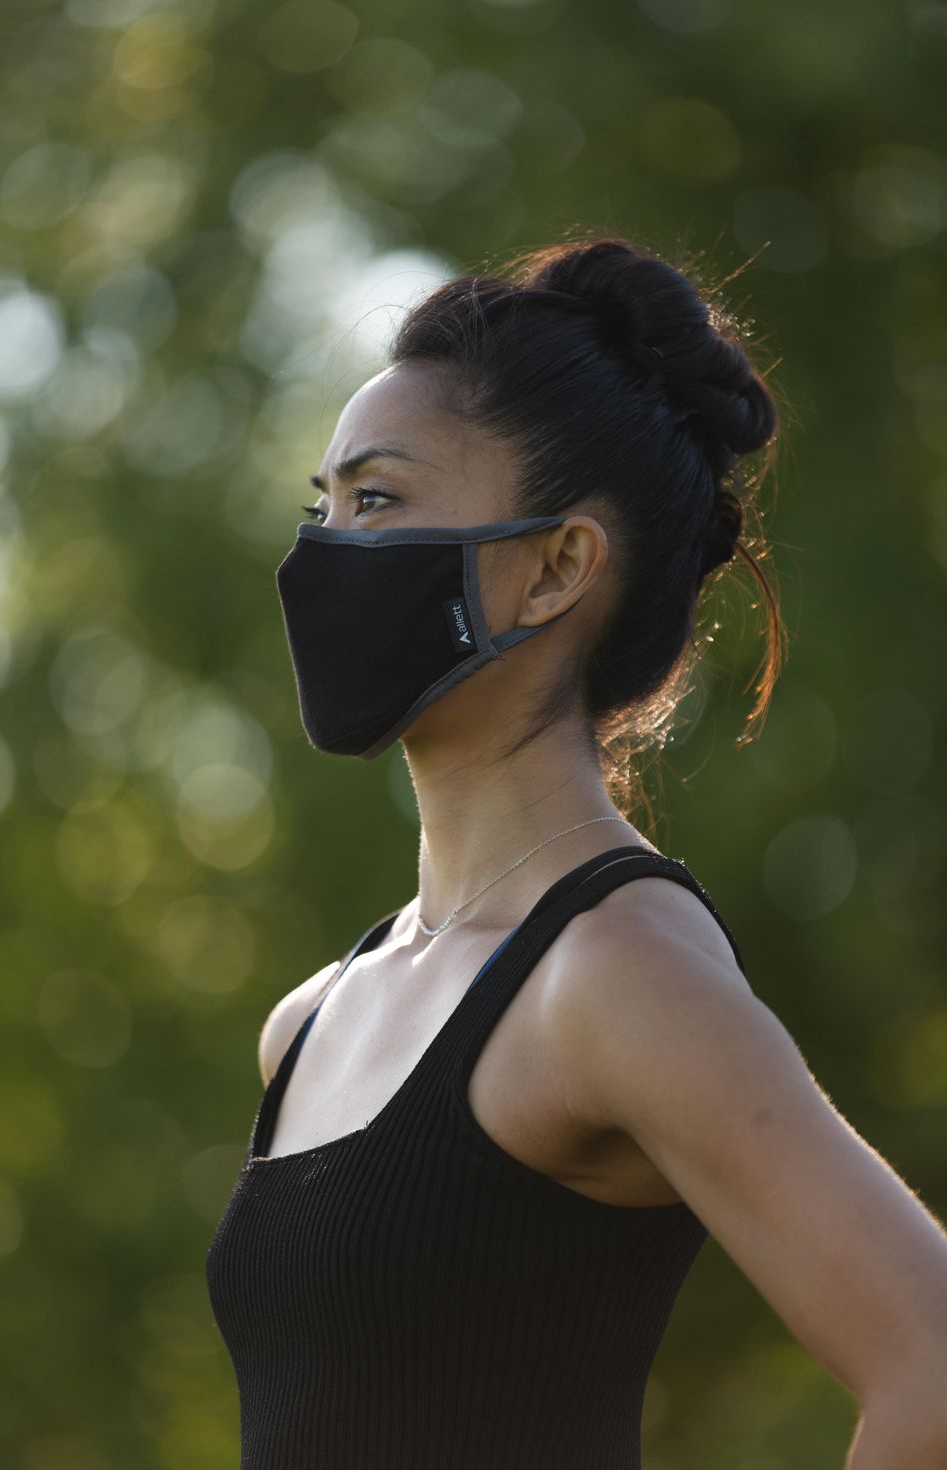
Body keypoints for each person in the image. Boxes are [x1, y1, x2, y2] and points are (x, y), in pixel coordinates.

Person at [205, 233, 947, 1469]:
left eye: (377, 501)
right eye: (318, 505)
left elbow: (929, 1360)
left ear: (555, 569)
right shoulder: (312, 1020)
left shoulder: (613, 973)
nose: (323, 552)